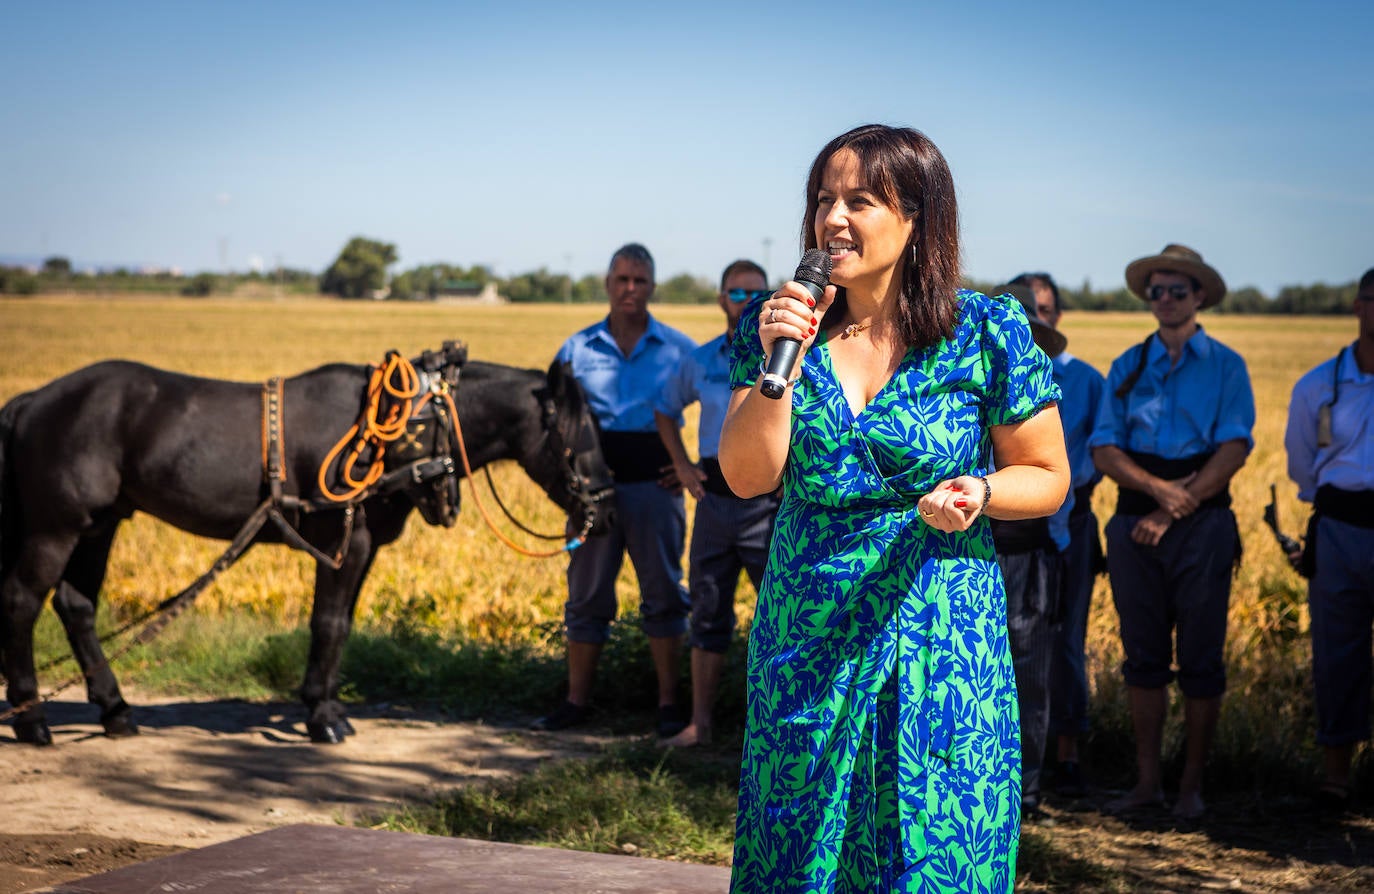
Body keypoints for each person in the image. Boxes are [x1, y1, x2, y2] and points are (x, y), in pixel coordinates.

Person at [719, 124, 1069, 892]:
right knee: (801, 840)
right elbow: (747, 477)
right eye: (823, 200)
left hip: (941, 629)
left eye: (860, 200)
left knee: (933, 839)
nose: (832, 219)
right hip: (810, 632)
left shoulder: (986, 331)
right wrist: (783, 366)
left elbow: (1046, 475)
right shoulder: (775, 328)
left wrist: (982, 492)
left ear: (917, 218)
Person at [1089, 244, 1255, 820]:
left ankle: (1191, 787)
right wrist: (1160, 496)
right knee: (1143, 657)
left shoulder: (1227, 366)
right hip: (1136, 521)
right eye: (1155, 291)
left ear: (1199, 296)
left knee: (1203, 658)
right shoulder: (1128, 365)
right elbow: (1104, 447)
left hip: (1203, 523)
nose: (1164, 300)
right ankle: (1147, 783)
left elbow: (1234, 447)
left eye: (1176, 291)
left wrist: (1176, 507)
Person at [533, 243, 698, 736]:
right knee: (585, 597)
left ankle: (670, 705)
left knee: (665, 594)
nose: (630, 289)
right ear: (607, 284)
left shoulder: (679, 349)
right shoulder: (576, 350)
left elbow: (715, 408)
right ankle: (576, 702)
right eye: (622, 280)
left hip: (655, 487)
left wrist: (684, 466)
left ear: (652, 286)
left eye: (639, 281)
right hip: (593, 495)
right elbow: (551, 423)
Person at [654, 259, 781, 748]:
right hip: (713, 501)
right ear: (720, 298)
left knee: (776, 617)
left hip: (766, 507)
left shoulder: (787, 357)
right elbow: (665, 411)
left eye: (757, 293)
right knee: (706, 610)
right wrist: (684, 468)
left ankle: (768, 736)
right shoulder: (702, 359)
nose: (747, 302)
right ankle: (700, 725)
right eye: (736, 293)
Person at [1010, 271, 1107, 799]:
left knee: (1040, 659)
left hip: (1045, 538)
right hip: (974, 544)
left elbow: (1083, 460)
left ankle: (1032, 780)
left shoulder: (1078, 382)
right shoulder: (963, 382)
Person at [1283, 266, 1374, 811]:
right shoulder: (1320, 384)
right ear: (1357, 307)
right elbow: (1301, 463)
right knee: (1336, 654)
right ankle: (1336, 775)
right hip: (1339, 528)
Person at [985, 282, 1070, 819]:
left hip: (1026, 550)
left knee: (1030, 673)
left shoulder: (1050, 390)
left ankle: (1028, 791)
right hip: (964, 548)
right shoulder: (972, 372)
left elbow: (1058, 475)